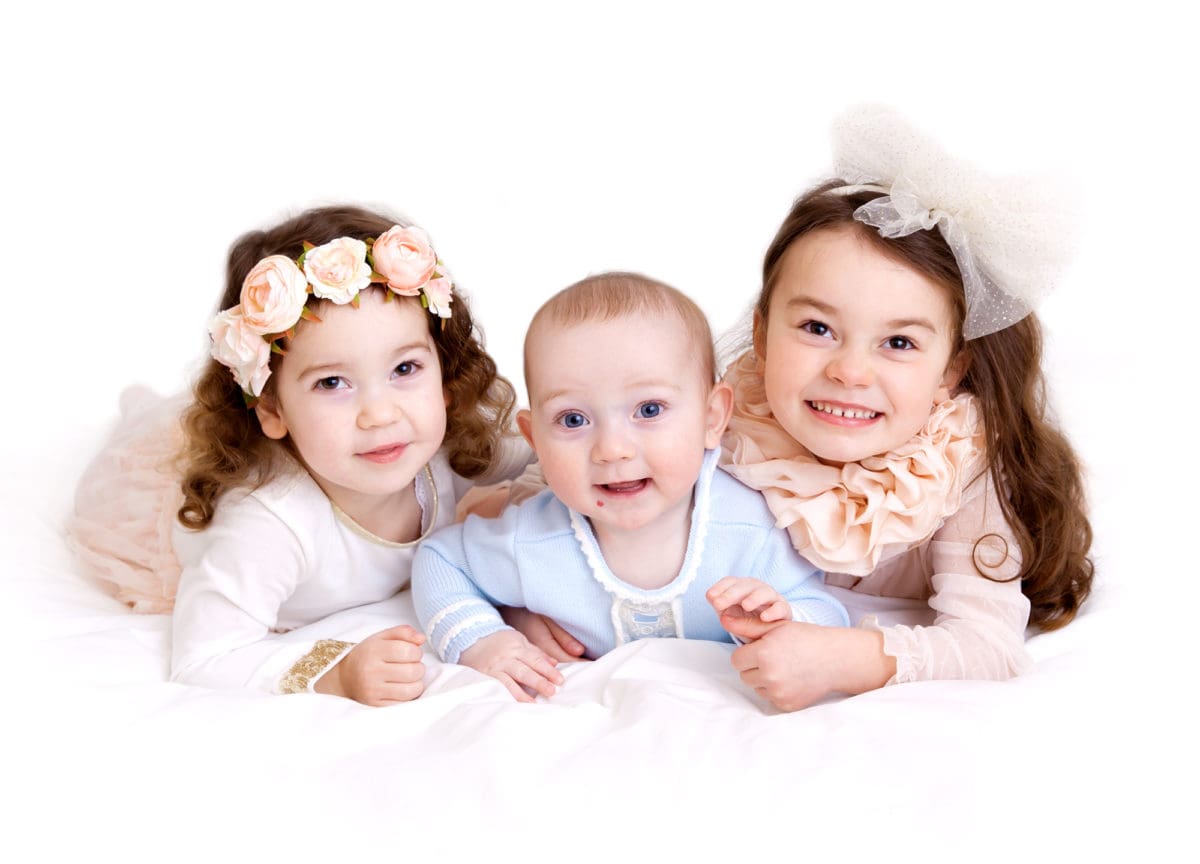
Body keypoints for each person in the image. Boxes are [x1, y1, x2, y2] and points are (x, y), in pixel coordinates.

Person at [68, 205, 529, 704]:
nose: (380, 413)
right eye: (332, 382)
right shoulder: (269, 524)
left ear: (444, 375)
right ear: (272, 408)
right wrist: (333, 671)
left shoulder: (447, 445)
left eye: (405, 369)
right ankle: (137, 406)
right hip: (171, 512)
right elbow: (205, 659)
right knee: (165, 437)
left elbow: (549, 453)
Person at [717, 106, 1095, 710]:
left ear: (952, 369)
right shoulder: (730, 425)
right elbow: (578, 495)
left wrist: (838, 657)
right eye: (816, 327)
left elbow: (989, 646)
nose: (849, 371)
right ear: (762, 337)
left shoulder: (958, 466)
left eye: (898, 343)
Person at [410, 272, 849, 702]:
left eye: (650, 409)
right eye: (573, 420)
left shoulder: (749, 528)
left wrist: (784, 619)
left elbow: (827, 612)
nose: (612, 449)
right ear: (535, 441)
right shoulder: (532, 539)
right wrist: (482, 640)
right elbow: (439, 561)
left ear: (712, 418)